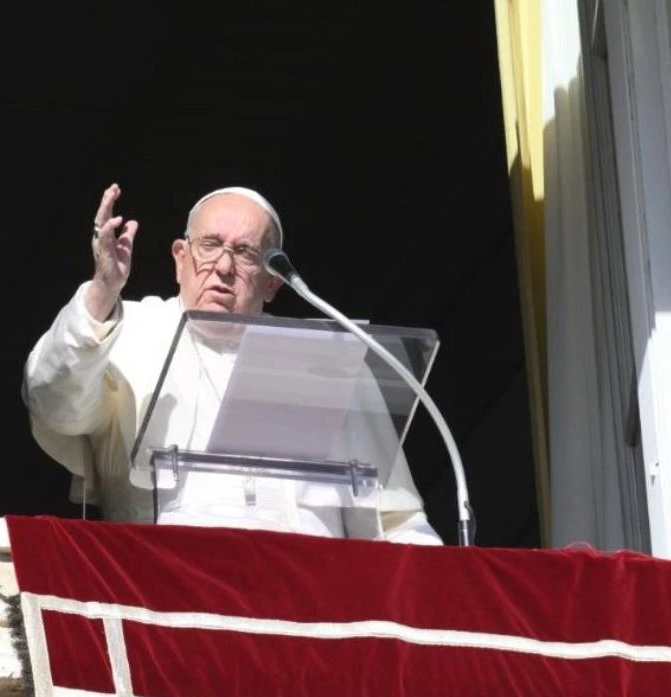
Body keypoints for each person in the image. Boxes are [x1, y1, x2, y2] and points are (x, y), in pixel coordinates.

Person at [23, 184, 440, 543]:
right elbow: (52, 400)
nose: (223, 267)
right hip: (169, 588)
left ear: (273, 281)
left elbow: (398, 519)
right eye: (210, 245)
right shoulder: (128, 331)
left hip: (313, 598)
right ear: (179, 257)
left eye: (244, 253)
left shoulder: (327, 359)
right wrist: (102, 291)